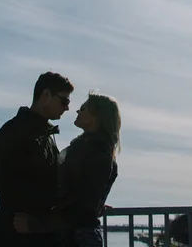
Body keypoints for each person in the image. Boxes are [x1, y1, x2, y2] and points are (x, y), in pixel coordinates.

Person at [13, 91, 121, 247]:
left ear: (97, 117)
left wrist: (35, 224)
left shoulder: (98, 155)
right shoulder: (84, 149)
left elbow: (83, 211)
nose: (77, 110)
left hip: (79, 239)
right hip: (69, 236)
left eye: (83, 109)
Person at [0, 71, 74, 247]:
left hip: (34, 232)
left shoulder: (46, 135)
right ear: (46, 95)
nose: (67, 108)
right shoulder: (14, 131)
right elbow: (5, 185)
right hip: (15, 236)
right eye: (64, 101)